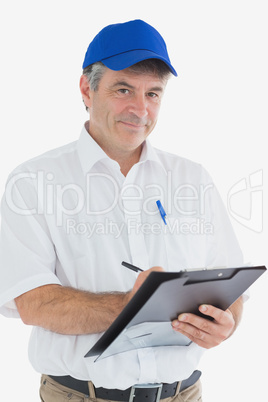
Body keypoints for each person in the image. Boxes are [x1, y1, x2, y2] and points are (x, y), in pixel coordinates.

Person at [0, 19, 244, 402]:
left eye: (153, 94)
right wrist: (130, 306)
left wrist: (225, 324)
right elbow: (34, 303)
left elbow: (232, 291)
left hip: (184, 394)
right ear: (87, 88)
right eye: (124, 89)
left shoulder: (192, 179)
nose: (140, 109)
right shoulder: (33, 182)